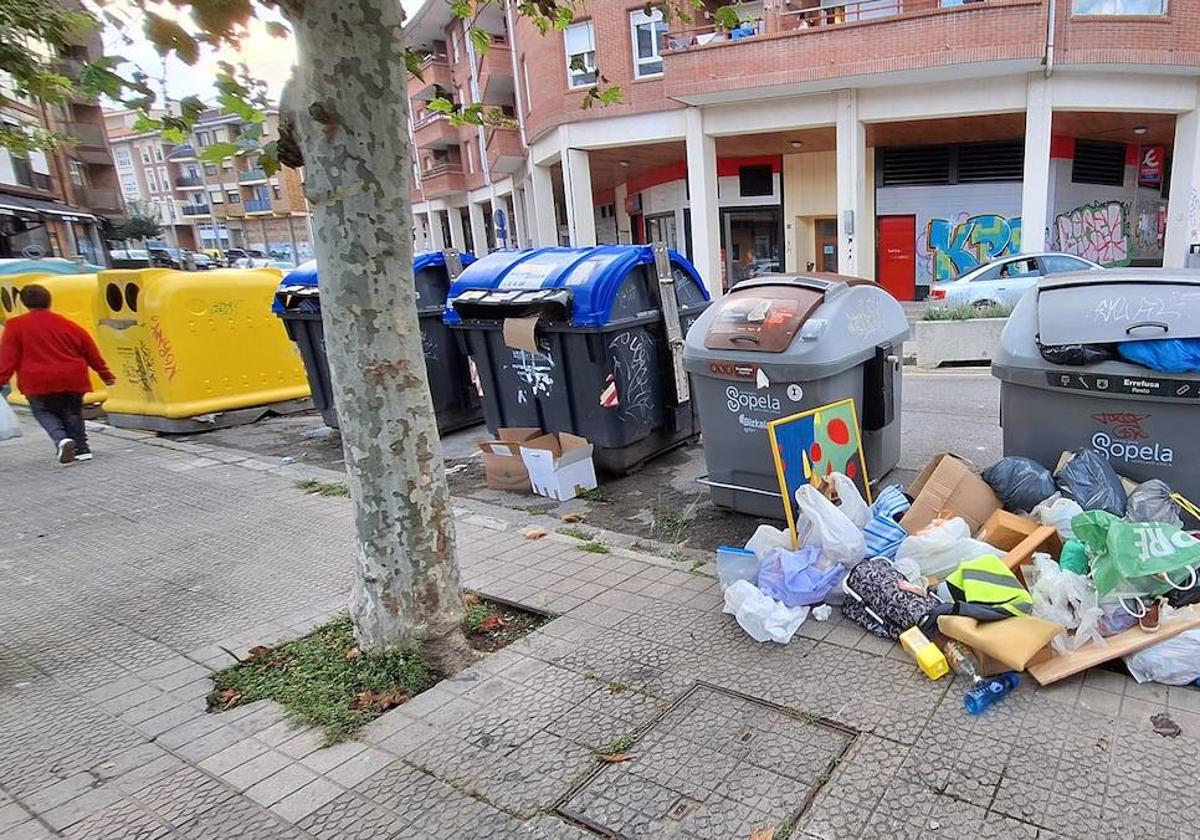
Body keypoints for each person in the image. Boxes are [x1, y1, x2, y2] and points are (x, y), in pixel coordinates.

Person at [0, 284, 115, 464]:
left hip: (36, 380)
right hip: (72, 376)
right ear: (49, 300)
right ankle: (83, 449)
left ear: (24, 302)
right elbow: (89, 350)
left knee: (43, 411)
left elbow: (8, 358)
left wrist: (1, 380)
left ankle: (61, 438)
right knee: (72, 412)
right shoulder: (67, 324)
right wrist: (105, 374)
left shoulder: (16, 326)